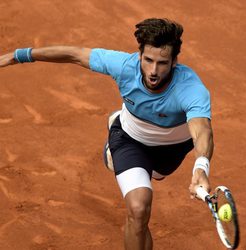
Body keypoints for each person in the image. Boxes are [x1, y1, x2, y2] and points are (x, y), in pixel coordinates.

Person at [0, 18, 214, 250]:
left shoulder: (190, 88)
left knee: (158, 174)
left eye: (162, 63)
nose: (153, 71)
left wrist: (201, 167)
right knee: (139, 208)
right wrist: (18, 55)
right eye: (148, 60)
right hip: (130, 139)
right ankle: (117, 139)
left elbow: (202, 130)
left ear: (174, 62)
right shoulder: (124, 66)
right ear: (139, 55)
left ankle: (131, 155)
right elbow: (74, 54)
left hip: (170, 151)